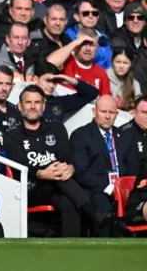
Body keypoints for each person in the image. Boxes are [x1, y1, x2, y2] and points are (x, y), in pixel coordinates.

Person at [3, 85, 112, 237]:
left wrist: (70, 169)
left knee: (67, 203)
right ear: (20, 106)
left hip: (58, 188)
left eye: (37, 102)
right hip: (30, 188)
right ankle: (91, 211)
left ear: (44, 106)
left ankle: (70, 250)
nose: (33, 107)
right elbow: (19, 165)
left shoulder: (57, 128)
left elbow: (67, 159)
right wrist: (41, 173)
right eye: (28, 102)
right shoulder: (11, 135)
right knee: (60, 179)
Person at [69, 95, 138, 236]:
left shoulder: (125, 136)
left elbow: (132, 168)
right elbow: (82, 173)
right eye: (103, 112)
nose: (107, 116)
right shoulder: (81, 135)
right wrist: (111, 186)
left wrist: (123, 187)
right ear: (94, 112)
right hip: (96, 190)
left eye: (111, 112)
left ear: (116, 114)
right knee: (104, 210)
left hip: (124, 189)